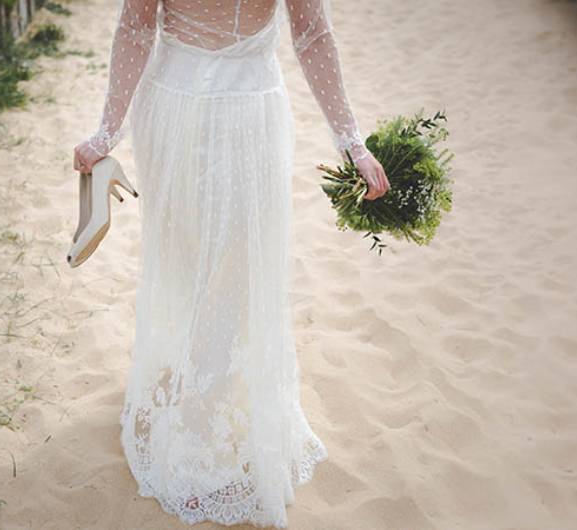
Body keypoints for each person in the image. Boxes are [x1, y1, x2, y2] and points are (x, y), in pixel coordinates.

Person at [71, 0, 389, 527]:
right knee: (205, 265)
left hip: (222, 112)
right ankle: (195, 434)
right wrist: (107, 131)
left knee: (227, 271)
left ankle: (198, 416)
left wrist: (352, 143)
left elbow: (136, 28)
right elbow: (308, 34)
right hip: (205, 111)